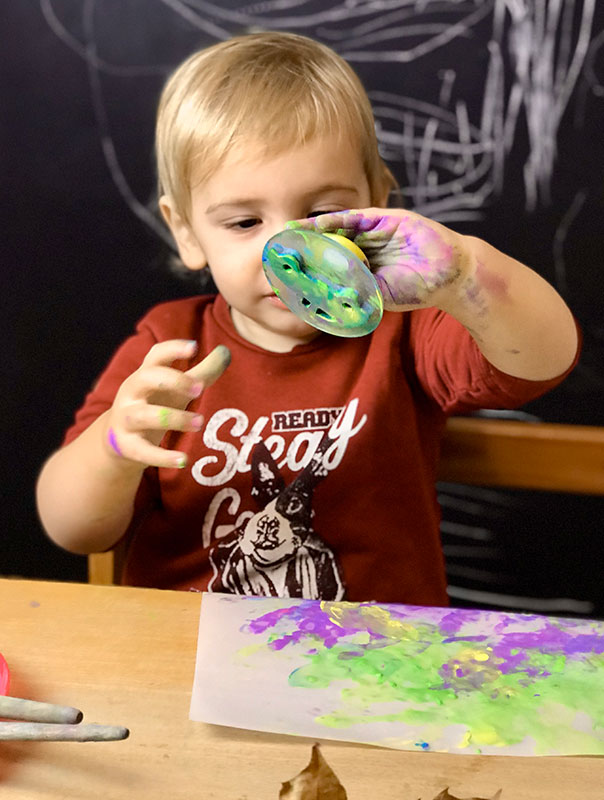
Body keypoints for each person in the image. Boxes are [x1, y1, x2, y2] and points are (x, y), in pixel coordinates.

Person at [36, 32, 579, 604]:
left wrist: (466, 274)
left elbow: (543, 362)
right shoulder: (169, 346)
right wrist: (115, 447)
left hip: (380, 664)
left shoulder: (404, 330)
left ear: (379, 205)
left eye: (322, 214)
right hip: (191, 664)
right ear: (187, 232)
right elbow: (75, 529)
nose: (287, 253)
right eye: (244, 223)